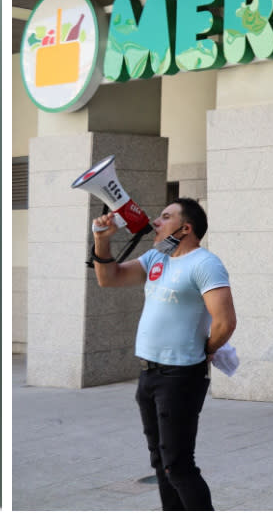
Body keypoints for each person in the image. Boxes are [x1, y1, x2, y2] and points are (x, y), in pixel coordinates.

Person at [91, 197, 236, 511]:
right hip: (149, 374)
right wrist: (102, 242)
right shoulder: (158, 256)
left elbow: (225, 322)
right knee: (161, 464)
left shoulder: (204, 263)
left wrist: (203, 352)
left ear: (185, 228)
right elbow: (108, 278)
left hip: (180, 376)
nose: (156, 221)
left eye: (166, 216)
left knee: (179, 466)